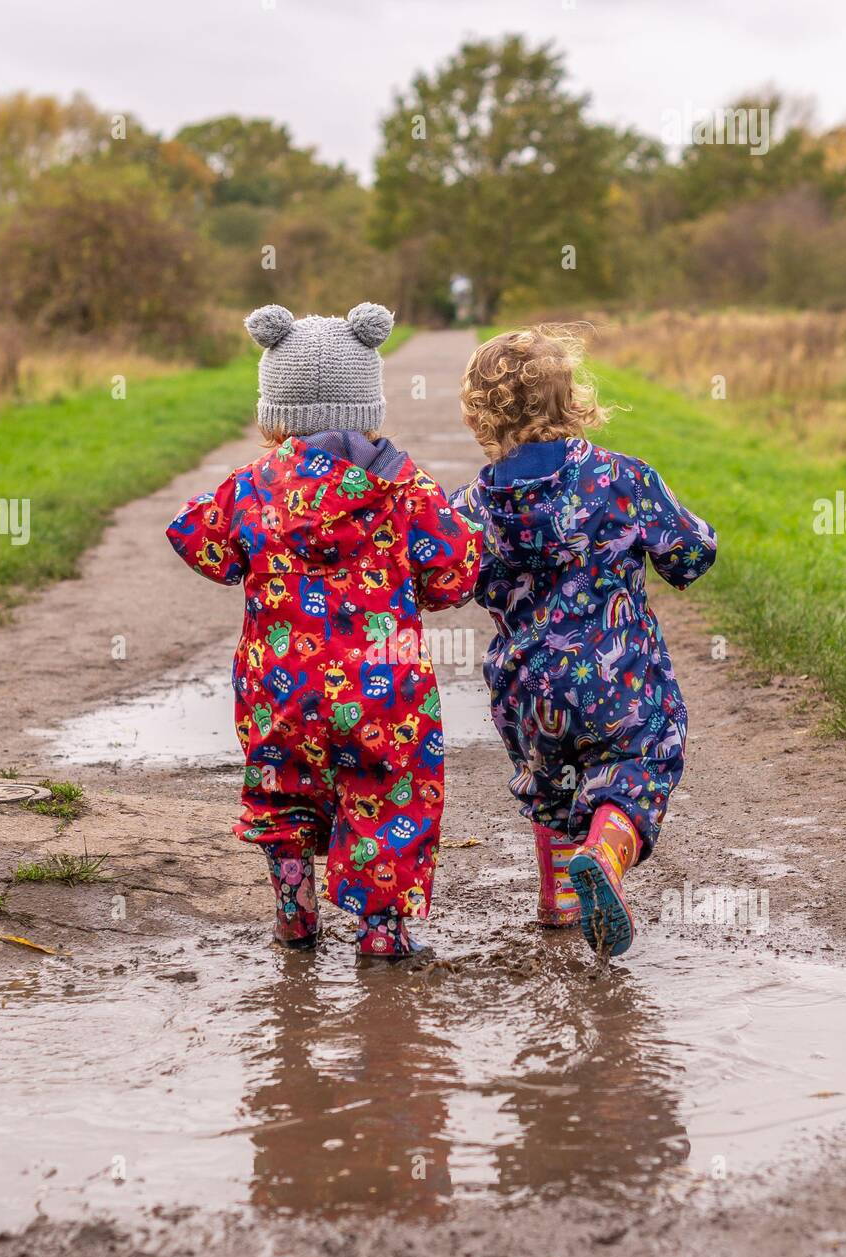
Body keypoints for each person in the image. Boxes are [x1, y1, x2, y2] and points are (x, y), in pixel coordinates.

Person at [167, 302, 480, 959]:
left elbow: (197, 539)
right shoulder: (404, 489)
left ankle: (295, 915)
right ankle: (381, 932)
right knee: (388, 801)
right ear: (368, 405)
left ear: (274, 411)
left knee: (282, 796)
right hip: (383, 694)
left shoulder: (250, 487)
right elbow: (455, 571)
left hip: (279, 692)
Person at [451, 324, 717, 957]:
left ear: (481, 412)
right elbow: (691, 553)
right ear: (573, 399)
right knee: (640, 759)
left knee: (553, 786)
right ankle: (605, 853)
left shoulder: (472, 504)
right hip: (617, 676)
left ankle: (559, 906)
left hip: (525, 689)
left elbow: (445, 578)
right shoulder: (620, 478)